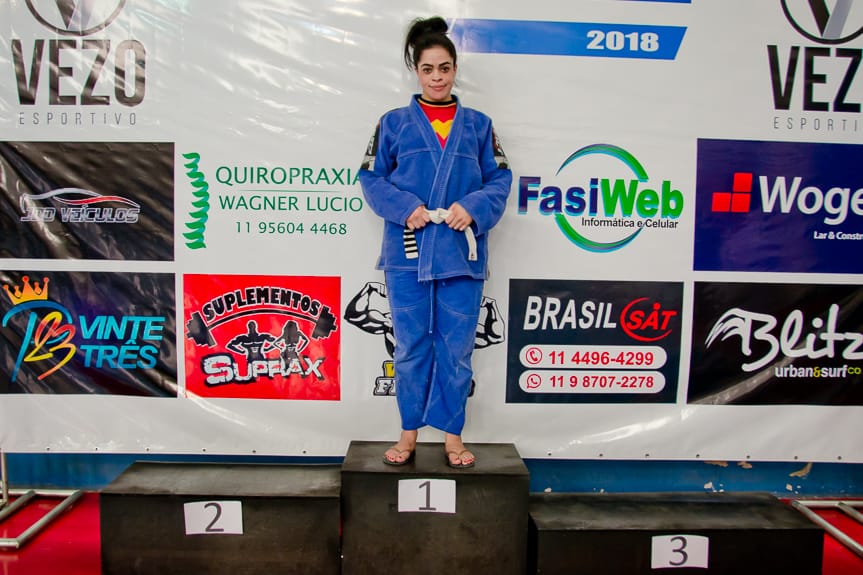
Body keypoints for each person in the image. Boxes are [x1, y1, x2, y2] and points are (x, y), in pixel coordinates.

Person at [359, 16, 512, 468]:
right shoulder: (393, 123)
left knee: (456, 350)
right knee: (409, 347)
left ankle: (452, 435)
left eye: (445, 68)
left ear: (455, 69)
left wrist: (474, 207)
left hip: (461, 255)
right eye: (428, 69)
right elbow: (370, 178)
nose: (437, 78)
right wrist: (406, 206)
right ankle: (408, 432)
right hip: (408, 253)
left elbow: (500, 179)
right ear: (416, 71)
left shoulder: (479, 125)